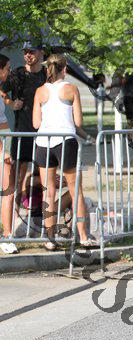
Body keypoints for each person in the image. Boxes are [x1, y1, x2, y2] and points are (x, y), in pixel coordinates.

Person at [32, 54, 97, 250]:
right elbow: (78, 122)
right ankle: (83, 236)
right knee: (76, 190)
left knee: (48, 192)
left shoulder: (40, 91)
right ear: (65, 69)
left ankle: (50, 239)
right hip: (66, 141)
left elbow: (36, 123)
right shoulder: (71, 89)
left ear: (48, 69)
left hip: (44, 142)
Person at [1, 42, 47, 250]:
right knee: (15, 183)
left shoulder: (46, 74)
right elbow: (2, 92)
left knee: (41, 179)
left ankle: (38, 220)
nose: (28, 55)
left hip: (43, 134)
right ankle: (10, 227)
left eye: (31, 52)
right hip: (21, 134)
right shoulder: (17, 74)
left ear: (40, 53)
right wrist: (12, 104)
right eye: (25, 52)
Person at [0, 53, 18, 254]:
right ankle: (6, 236)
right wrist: (4, 150)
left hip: (5, 144)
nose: (9, 71)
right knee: (8, 191)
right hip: (1, 147)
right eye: (7, 68)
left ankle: (7, 234)